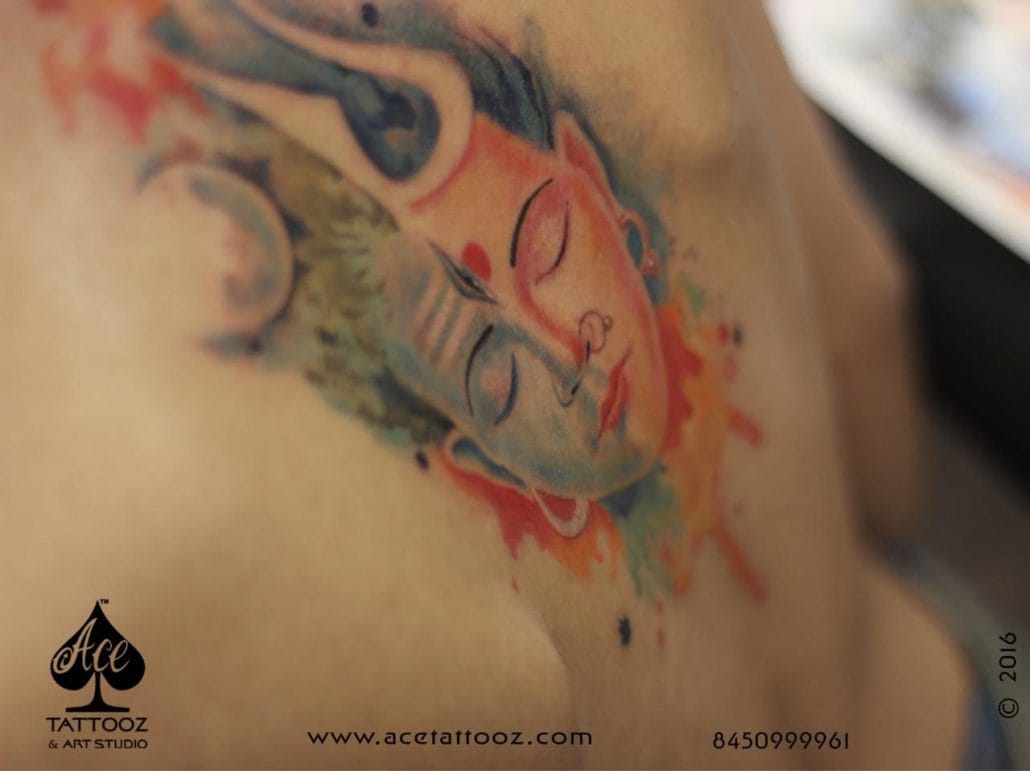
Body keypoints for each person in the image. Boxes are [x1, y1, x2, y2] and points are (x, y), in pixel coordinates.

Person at [1, 1, 1022, 767]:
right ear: (482, 461)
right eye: (492, 379)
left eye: (550, 243)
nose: (568, 358)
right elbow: (861, 307)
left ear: (613, 207)